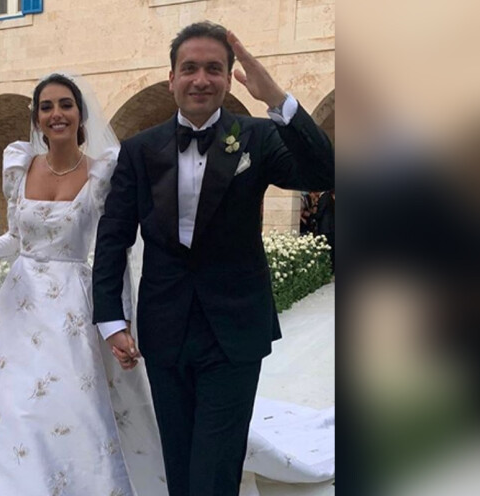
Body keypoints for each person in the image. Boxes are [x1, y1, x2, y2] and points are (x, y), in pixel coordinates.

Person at [92, 22, 334, 496]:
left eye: (213, 69)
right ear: (171, 78)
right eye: (190, 68)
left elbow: (325, 171)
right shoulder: (139, 150)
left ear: (227, 78)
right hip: (165, 326)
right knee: (179, 461)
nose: (201, 79)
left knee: (215, 467)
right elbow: (113, 236)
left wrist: (275, 98)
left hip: (235, 329)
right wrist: (111, 319)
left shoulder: (257, 137)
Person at [0, 73, 168, 496]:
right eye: (46, 107)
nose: (56, 114)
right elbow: (15, 239)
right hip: (18, 307)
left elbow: (113, 251)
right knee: (13, 409)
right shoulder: (19, 165)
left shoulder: (102, 172)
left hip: (73, 307)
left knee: (67, 405)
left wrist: (119, 322)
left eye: (66, 104)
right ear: (37, 118)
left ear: (81, 114)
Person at [314, 189, 335, 274]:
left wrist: (311, 215)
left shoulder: (324, 197)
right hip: (330, 228)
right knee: (331, 249)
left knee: (326, 249)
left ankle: (327, 268)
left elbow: (320, 214)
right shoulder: (328, 197)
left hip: (325, 228)